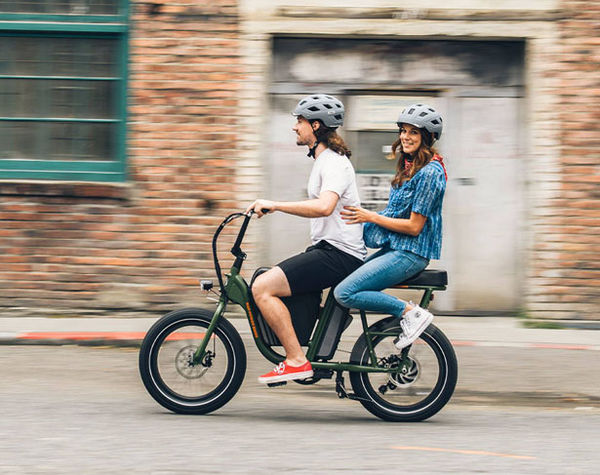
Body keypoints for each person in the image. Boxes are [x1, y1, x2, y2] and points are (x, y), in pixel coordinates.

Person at [246, 94, 367, 384]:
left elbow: (324, 207)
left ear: (315, 125)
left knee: (262, 287)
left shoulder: (334, 163)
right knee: (276, 284)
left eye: (299, 122)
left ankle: (296, 360)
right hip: (330, 250)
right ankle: (305, 355)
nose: (294, 127)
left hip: (340, 254)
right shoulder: (324, 161)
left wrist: (275, 205)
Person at [334, 103, 447, 349]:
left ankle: (410, 312)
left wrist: (370, 217)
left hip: (410, 254)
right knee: (342, 280)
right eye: (403, 131)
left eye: (413, 132)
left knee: (345, 292)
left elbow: (414, 227)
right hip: (397, 248)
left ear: (427, 137)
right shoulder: (411, 166)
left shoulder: (430, 173)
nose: (405, 137)